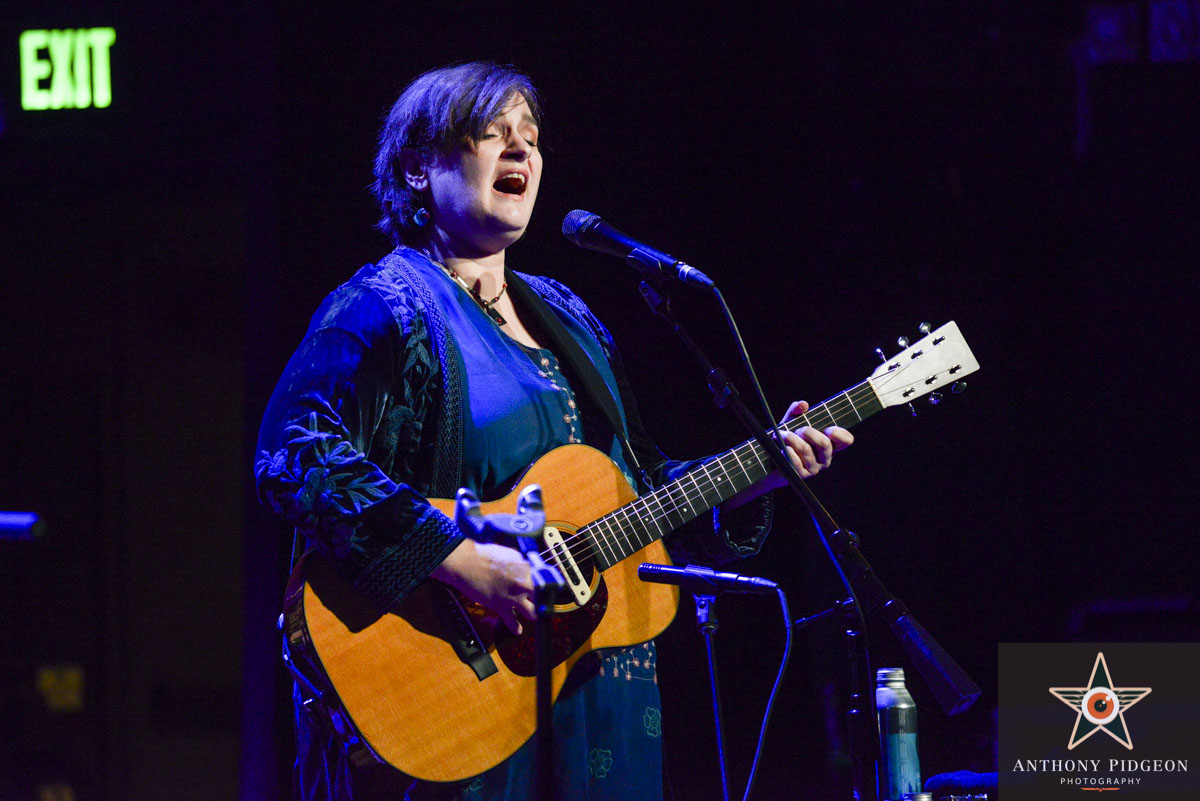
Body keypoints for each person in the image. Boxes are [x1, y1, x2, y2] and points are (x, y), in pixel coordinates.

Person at [255, 61, 853, 801]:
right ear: (415, 168)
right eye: (492, 134)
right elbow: (294, 452)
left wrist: (758, 473)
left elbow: (636, 493)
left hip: (599, 695)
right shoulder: (383, 306)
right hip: (460, 695)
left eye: (530, 139)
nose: (521, 153)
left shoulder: (568, 316)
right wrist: (460, 559)